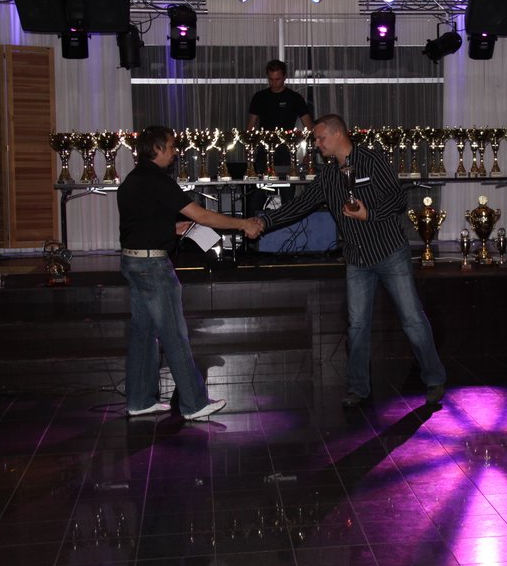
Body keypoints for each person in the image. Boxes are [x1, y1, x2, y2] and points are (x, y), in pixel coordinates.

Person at [252, 113, 446, 407]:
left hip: (390, 252)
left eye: (320, 138)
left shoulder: (372, 160)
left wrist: (370, 213)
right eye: (316, 140)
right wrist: (264, 221)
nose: (317, 144)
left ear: (338, 134)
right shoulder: (329, 175)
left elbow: (398, 200)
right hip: (356, 258)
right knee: (357, 325)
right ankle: (358, 388)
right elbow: (301, 205)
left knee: (412, 319)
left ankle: (434, 378)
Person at [118, 125, 262, 419]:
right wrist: (243, 224)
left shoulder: (132, 179)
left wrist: (170, 228)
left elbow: (139, 223)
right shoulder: (158, 179)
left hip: (132, 262)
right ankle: (194, 404)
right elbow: (202, 215)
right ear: (156, 149)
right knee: (174, 334)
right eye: (171, 147)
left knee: (143, 333)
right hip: (152, 266)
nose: (174, 153)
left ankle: (139, 400)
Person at [247, 59, 314, 174]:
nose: (274, 83)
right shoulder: (260, 97)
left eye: (277, 79)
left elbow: (309, 126)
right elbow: (251, 126)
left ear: (284, 77)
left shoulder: (294, 98)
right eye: (271, 79)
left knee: (287, 181)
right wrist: (249, 148)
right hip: (264, 148)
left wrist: (309, 152)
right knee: (260, 182)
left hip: (286, 149)